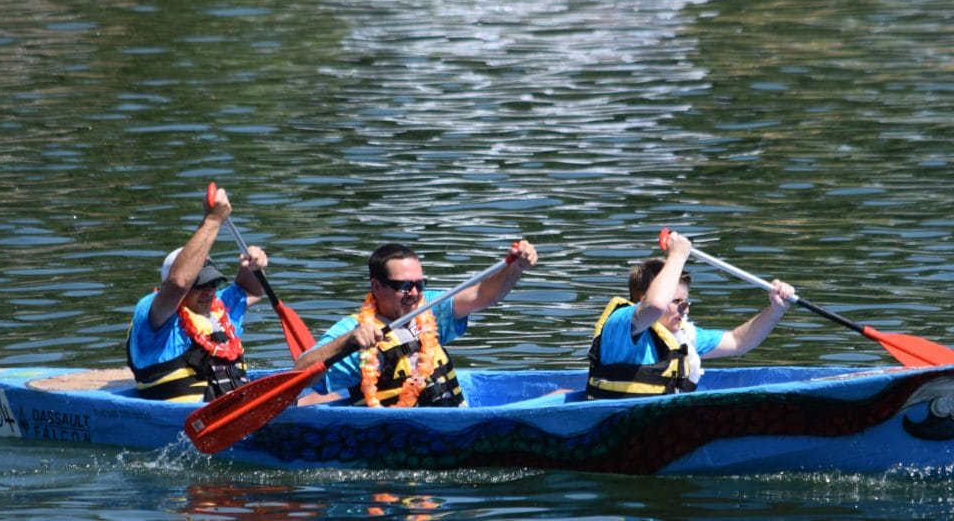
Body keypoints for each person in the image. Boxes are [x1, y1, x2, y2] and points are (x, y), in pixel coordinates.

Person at [294, 240, 538, 407]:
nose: (414, 292)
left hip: (453, 414)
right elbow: (299, 374)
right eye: (403, 286)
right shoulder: (353, 331)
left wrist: (516, 267)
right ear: (377, 286)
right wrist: (347, 342)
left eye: (419, 284)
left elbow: (484, 295)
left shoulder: (429, 307)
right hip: (396, 431)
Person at [586, 231, 795, 399]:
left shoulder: (682, 335)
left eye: (686, 301)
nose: (684, 309)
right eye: (676, 301)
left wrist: (775, 309)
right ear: (642, 299)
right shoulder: (620, 324)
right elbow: (656, 305)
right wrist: (677, 256)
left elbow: (739, 342)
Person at [126, 186, 269, 402]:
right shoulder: (153, 312)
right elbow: (178, 283)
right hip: (182, 425)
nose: (209, 291)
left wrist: (252, 264)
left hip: (237, 414)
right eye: (199, 284)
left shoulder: (219, 307)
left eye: (212, 283)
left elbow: (251, 290)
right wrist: (212, 221)